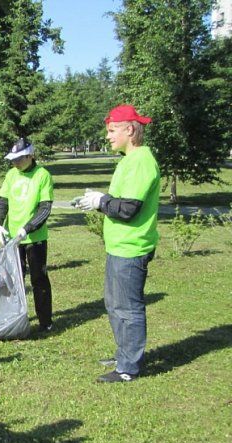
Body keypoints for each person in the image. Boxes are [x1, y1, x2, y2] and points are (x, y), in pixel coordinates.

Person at [76, 104, 160, 383]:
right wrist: (99, 202)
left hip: (131, 248)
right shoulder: (128, 160)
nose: (108, 136)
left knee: (128, 308)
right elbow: (119, 204)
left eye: (113, 131)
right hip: (119, 247)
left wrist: (102, 201)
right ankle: (124, 354)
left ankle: (128, 368)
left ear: (130, 130)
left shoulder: (141, 161)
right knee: (114, 305)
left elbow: (128, 209)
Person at [0, 138, 54, 332]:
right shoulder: (11, 175)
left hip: (34, 239)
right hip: (12, 239)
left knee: (39, 280)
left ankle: (45, 322)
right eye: (13, 160)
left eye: (19, 159)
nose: (16, 163)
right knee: (13, 281)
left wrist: (27, 228)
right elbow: (3, 202)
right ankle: (16, 318)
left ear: (30, 155)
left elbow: (45, 209)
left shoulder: (42, 175)